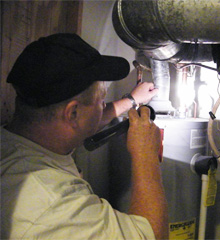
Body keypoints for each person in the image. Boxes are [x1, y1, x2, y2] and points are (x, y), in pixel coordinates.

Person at [1, 33, 168, 240]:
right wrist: (146, 155)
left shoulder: (19, 142)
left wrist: (131, 100)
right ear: (72, 113)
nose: (103, 105)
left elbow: (81, 122)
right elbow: (151, 236)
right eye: (101, 100)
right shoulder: (52, 203)